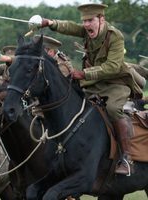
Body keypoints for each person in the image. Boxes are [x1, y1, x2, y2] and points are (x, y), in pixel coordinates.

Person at [33, 3, 144, 175]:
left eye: (90, 20)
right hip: (94, 84)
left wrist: (84, 74)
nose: (86, 25)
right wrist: (50, 23)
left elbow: (113, 67)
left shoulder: (115, 36)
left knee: (114, 109)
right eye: (84, 21)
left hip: (115, 83)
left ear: (101, 19)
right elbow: (70, 27)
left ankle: (126, 158)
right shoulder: (86, 30)